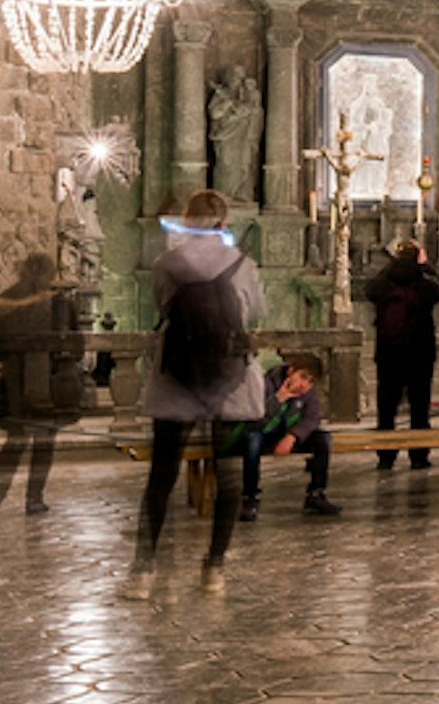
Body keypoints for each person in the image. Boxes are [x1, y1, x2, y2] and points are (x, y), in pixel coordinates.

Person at [135, 190, 265, 593]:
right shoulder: (242, 264)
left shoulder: (167, 263)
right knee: (227, 477)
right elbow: (256, 312)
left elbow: (162, 307)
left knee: (161, 476)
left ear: (186, 222)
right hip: (229, 380)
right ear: (223, 224)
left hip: (178, 379)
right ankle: (214, 568)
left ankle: (143, 570)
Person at [0, 251, 78, 516]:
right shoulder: (60, 304)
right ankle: (34, 499)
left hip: (14, 382)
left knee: (14, 442)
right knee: (44, 442)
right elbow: (75, 345)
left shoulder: (6, 299)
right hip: (48, 380)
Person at [366, 237, 439, 469]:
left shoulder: (385, 282)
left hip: (389, 352)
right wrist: (425, 265)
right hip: (420, 352)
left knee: (387, 406)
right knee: (419, 407)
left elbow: (370, 291)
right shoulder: (424, 282)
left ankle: (385, 456)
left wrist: (393, 265)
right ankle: (419, 456)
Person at [241, 357, 338, 519]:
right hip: (263, 433)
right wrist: (279, 399)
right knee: (252, 441)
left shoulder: (307, 393)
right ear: (291, 371)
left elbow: (312, 418)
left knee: (323, 438)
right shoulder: (265, 383)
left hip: (288, 433)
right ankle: (250, 497)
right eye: (303, 377)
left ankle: (316, 493)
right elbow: (254, 422)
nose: (304, 385)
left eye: (310, 381)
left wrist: (293, 436)